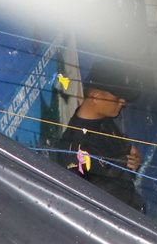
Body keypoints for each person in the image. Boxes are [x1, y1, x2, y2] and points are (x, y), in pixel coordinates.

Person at [56, 61, 144, 211]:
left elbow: (124, 153)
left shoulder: (105, 119)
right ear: (96, 97)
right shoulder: (77, 147)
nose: (123, 102)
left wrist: (133, 159)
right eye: (118, 97)